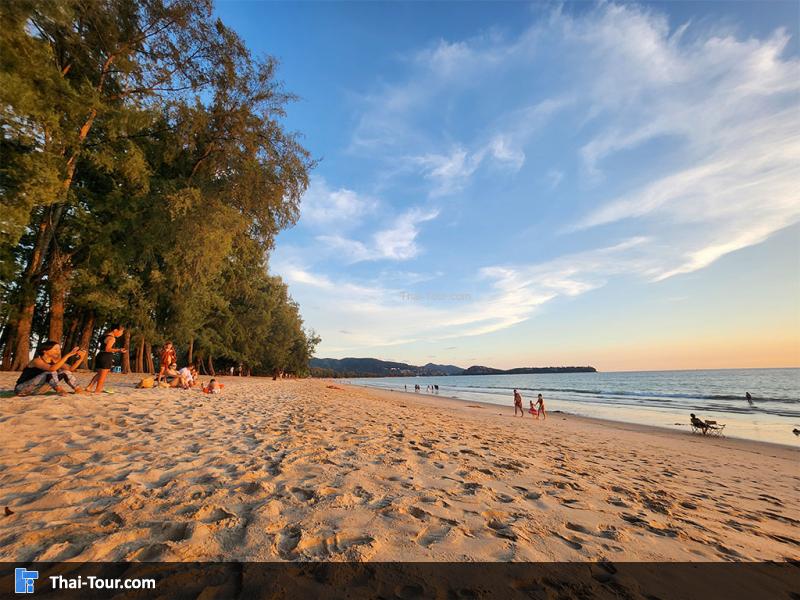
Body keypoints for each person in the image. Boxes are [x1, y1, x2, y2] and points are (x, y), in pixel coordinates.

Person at [14, 341, 86, 396]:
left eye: (59, 349)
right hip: (22, 389)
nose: (58, 351)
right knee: (51, 371)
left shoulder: (55, 361)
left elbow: (70, 369)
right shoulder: (36, 361)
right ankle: (59, 390)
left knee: (66, 372)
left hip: (39, 390)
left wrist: (80, 359)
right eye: (55, 349)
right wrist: (68, 355)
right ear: (45, 351)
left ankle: (78, 389)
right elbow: (51, 369)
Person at [86, 324, 126, 394]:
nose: (122, 334)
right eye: (121, 332)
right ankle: (98, 390)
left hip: (100, 355)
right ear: (115, 330)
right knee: (103, 375)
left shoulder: (105, 336)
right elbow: (107, 349)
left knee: (99, 374)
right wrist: (119, 350)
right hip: (106, 356)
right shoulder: (112, 338)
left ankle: (89, 387)